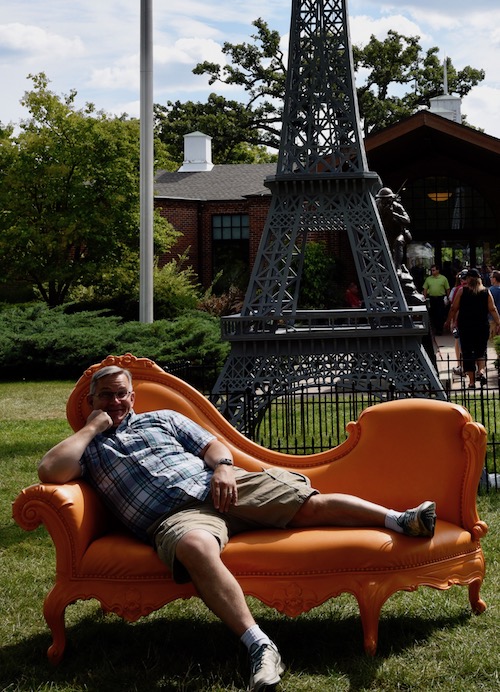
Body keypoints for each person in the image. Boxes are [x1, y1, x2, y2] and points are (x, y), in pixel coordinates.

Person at [38, 365, 438, 691]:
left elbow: (211, 445)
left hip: (222, 487)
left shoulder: (163, 419)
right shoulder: (87, 449)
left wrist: (225, 468)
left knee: (310, 507)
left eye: (122, 393)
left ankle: (400, 519)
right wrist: (92, 428)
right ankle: (260, 646)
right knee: (194, 546)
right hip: (175, 517)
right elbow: (49, 471)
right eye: (106, 395)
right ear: (91, 402)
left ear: (133, 396)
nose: (116, 401)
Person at [448, 268, 500, 389]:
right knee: (481, 351)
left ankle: (471, 382)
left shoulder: (462, 291)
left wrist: (448, 321)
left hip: (465, 327)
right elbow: (492, 309)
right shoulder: (486, 292)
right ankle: (481, 372)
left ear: (469, 279)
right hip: (481, 326)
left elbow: (454, 308)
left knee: (467, 353)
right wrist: (498, 322)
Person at [447, 269, 468, 377]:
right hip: (475, 321)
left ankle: (461, 366)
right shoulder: (480, 289)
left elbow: (454, 308)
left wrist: (451, 321)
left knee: (459, 343)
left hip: (461, 321)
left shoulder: (458, 290)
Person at [422, 263, 450, 336]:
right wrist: (424, 298)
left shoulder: (443, 278)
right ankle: (435, 329)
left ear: (438, 270)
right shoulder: (428, 279)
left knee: (440, 314)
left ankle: (440, 330)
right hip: (432, 299)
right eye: (431, 270)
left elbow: (447, 289)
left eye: (434, 270)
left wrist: (448, 297)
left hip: (440, 299)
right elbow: (425, 289)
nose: (432, 272)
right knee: (433, 314)